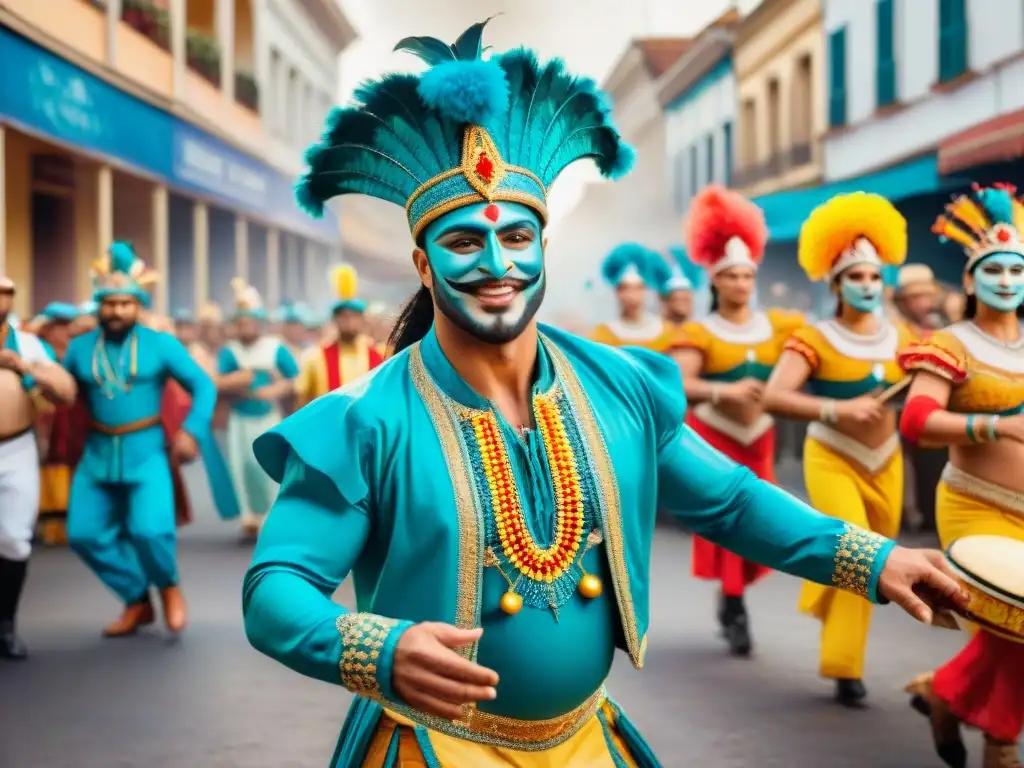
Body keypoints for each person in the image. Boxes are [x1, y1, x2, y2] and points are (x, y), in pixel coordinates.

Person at [241, 21, 967, 766]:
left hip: (587, 742)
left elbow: (731, 501)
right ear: (423, 265)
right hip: (437, 749)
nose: (498, 262)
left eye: (516, 239)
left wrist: (876, 561)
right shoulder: (364, 422)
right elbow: (275, 590)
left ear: (543, 248)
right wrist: (375, 647)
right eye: (465, 243)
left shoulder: (617, 386)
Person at [763, 192, 916, 707]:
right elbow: (774, 396)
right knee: (861, 552)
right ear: (836, 284)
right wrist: (839, 411)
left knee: (874, 556)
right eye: (856, 277)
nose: (867, 286)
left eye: (874, 277)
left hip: (887, 460)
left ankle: (820, 587)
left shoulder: (905, 337)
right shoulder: (815, 337)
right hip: (831, 455)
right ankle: (845, 668)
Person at [899, 183, 1024, 768]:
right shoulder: (950, 343)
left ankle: (942, 694)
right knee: (1015, 631)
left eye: (1016, 268)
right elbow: (917, 421)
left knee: (1014, 632)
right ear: (972, 282)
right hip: (975, 506)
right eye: (993, 269)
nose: (1006, 279)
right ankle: (1002, 745)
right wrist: (994, 427)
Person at [673, 186, 803, 656]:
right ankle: (733, 603)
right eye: (731, 277)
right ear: (715, 281)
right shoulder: (698, 332)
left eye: (747, 276)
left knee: (759, 518)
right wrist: (723, 389)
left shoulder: (782, 327)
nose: (741, 284)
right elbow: (680, 384)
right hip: (715, 434)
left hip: (760, 435)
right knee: (728, 518)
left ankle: (734, 596)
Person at [62, 242, 217, 637]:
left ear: (138, 305)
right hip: (96, 455)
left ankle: (168, 586)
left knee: (152, 530)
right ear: (99, 305)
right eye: (109, 303)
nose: (116, 311)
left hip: (147, 452)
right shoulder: (79, 348)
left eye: (125, 303)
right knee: (82, 534)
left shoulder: (159, 344)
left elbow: (203, 386)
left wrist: (191, 431)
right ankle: (136, 598)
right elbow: (61, 392)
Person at [0, 279, 78, 658]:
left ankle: (6, 625)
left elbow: (66, 390)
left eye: (4, 293)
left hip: (15, 447)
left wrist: (23, 366)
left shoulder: (28, 343)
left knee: (14, 538)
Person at [216, 278, 299, 538]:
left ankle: (272, 516)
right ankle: (248, 516)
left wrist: (277, 389)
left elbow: (294, 378)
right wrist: (237, 382)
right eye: (240, 323)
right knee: (241, 466)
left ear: (259, 323)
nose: (245, 327)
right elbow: (217, 382)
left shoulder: (275, 348)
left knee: (267, 466)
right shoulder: (230, 352)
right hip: (239, 417)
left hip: (269, 416)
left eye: (249, 322)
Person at [24, 303, 89, 547]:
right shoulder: (37, 351)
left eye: (67, 328)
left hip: (75, 421)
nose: (64, 334)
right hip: (45, 419)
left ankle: (75, 521)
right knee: (49, 464)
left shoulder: (79, 353)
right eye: (59, 328)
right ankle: (51, 523)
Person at [294, 266, 384, 408]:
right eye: (343, 317)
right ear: (335, 320)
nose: (349, 322)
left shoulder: (380, 355)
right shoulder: (316, 357)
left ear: (362, 319)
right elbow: (302, 400)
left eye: (353, 316)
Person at [591, 243, 680, 352]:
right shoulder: (604, 335)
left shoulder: (666, 332)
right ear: (616, 292)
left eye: (638, 288)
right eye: (624, 288)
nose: (631, 295)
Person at [651, 251, 694, 332]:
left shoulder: (699, 334)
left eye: (686, 300)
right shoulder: (655, 333)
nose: (683, 306)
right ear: (665, 302)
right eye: (677, 300)